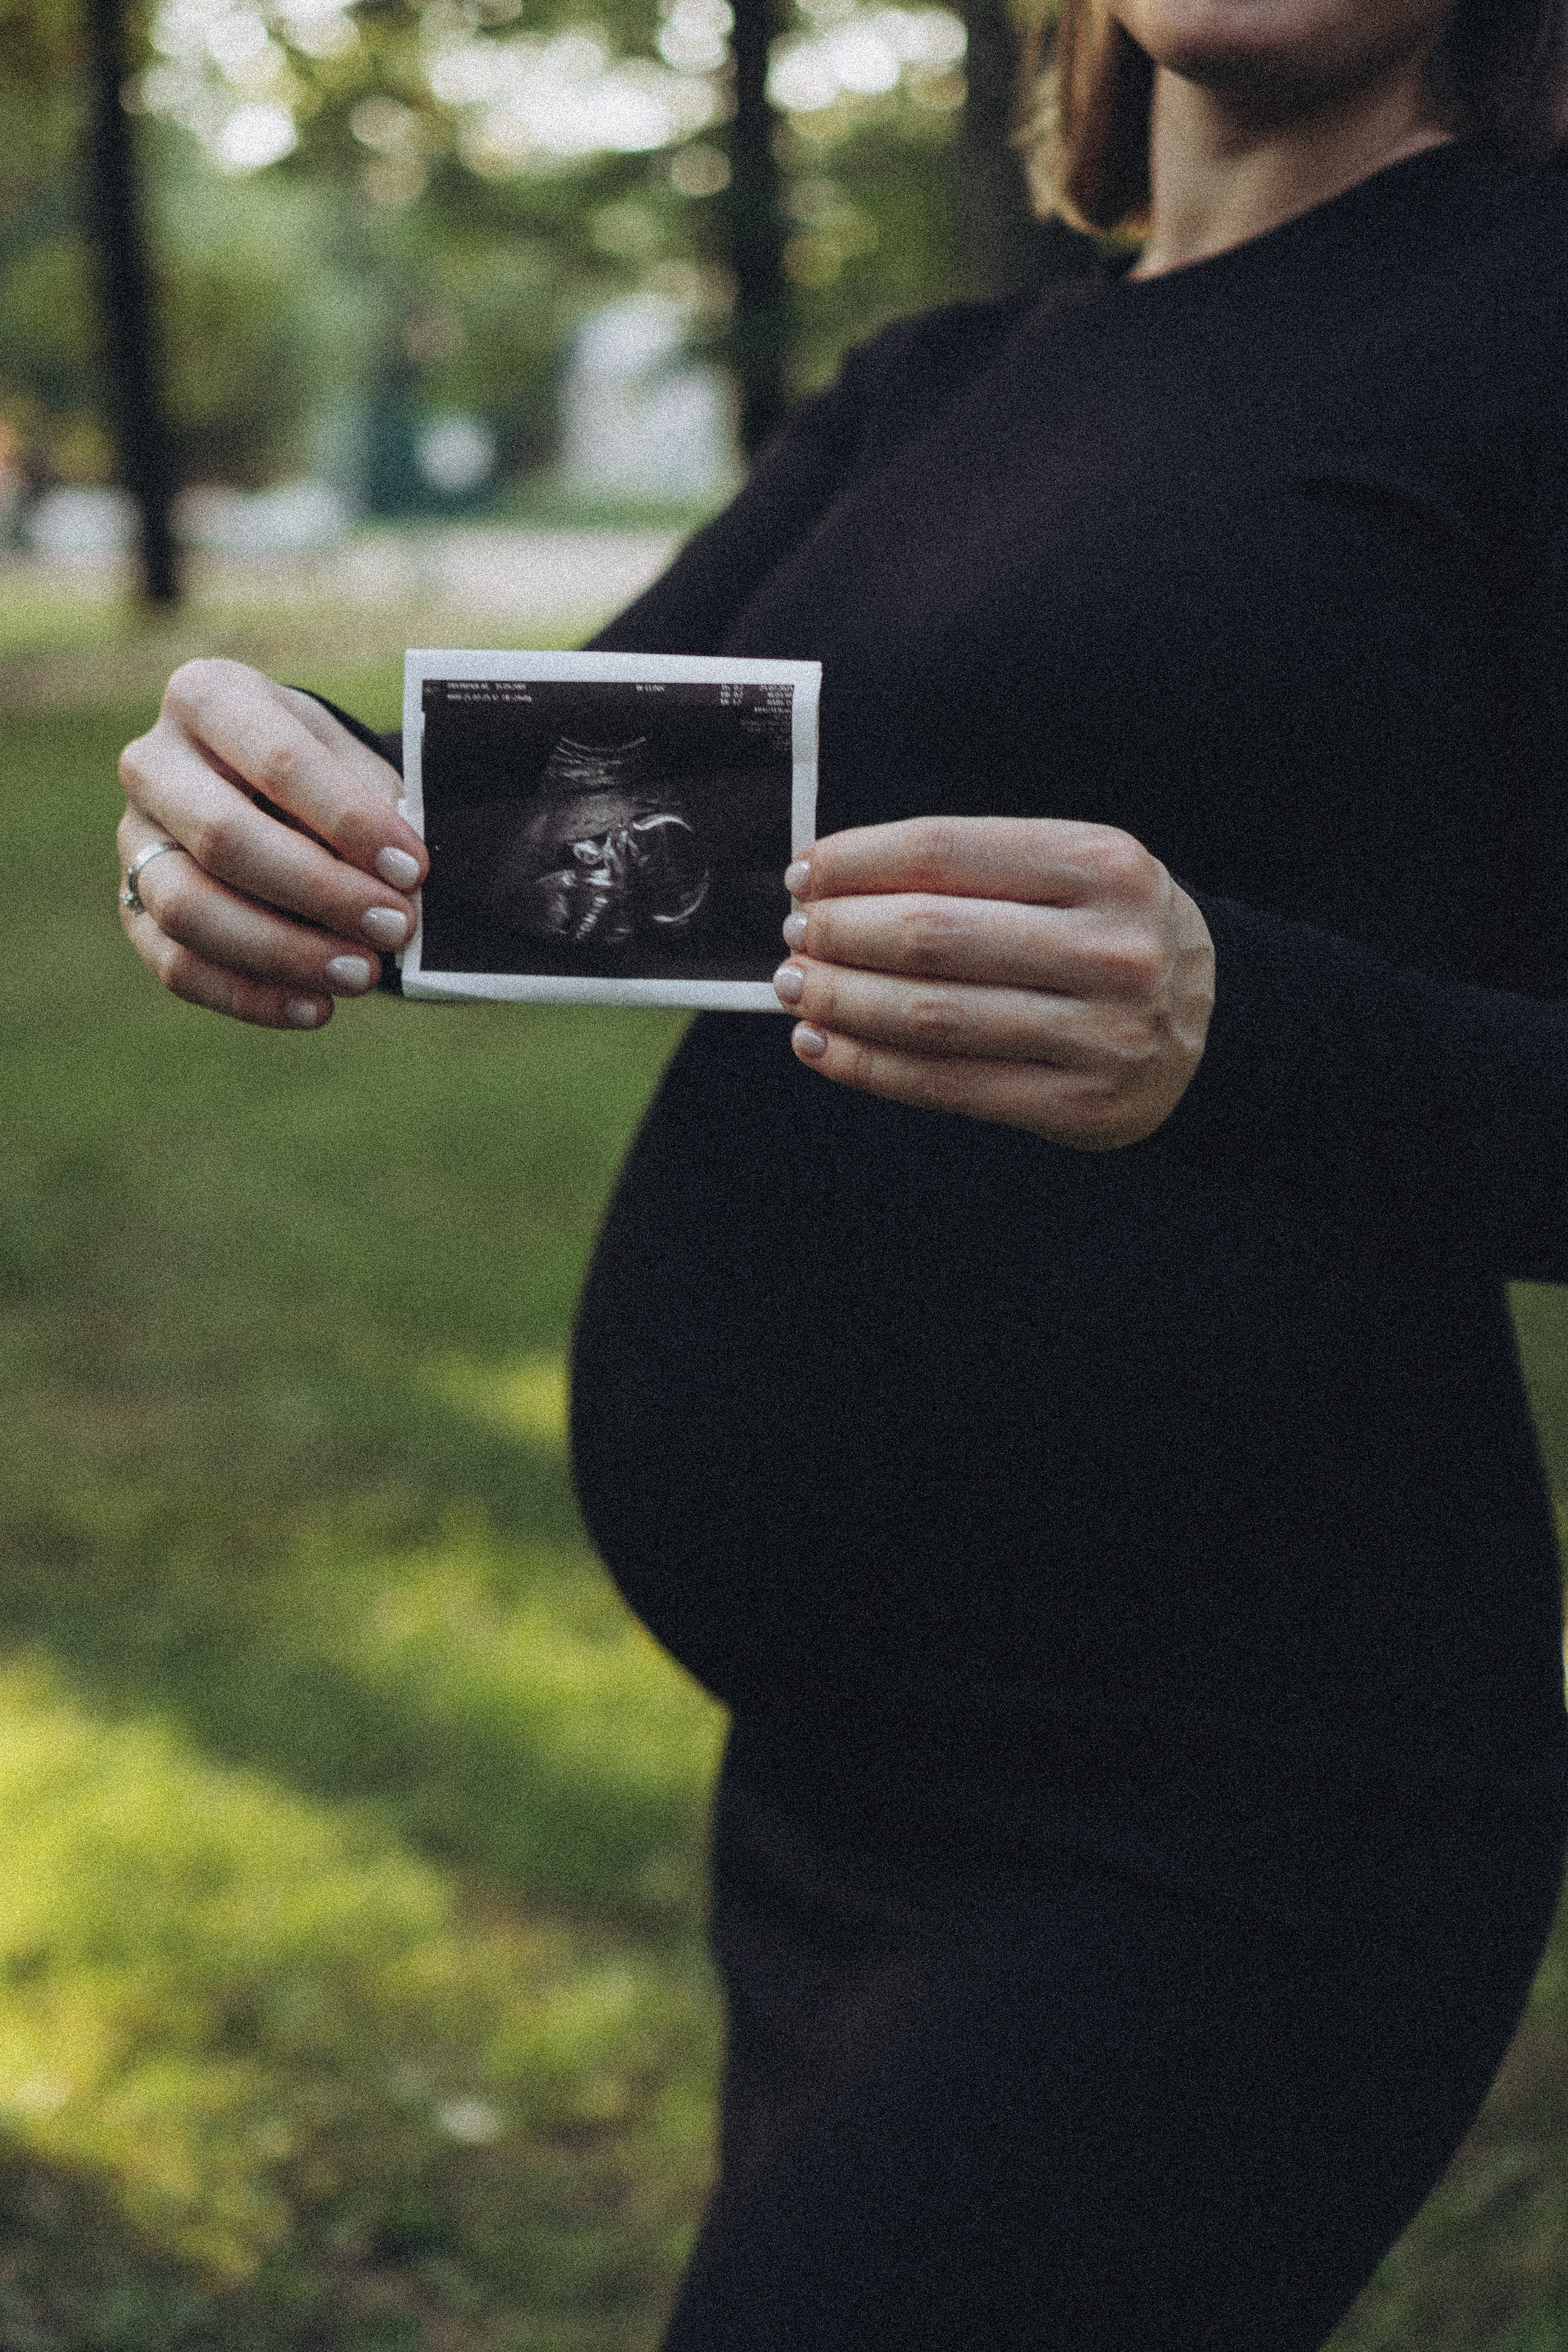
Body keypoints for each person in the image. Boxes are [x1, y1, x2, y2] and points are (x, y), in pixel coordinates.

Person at [117, 0, 1568, 2342]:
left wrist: (1249, 1032)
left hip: (1224, 1818)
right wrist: (271, 815)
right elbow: (532, 843)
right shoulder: (941, 386)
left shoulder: (1534, 323)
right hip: (838, 1783)